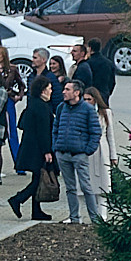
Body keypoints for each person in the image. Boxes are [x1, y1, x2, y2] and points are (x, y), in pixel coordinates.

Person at [51, 79, 104, 225]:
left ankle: (95, 219)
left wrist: (88, 150)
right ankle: (74, 217)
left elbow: (96, 132)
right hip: (63, 153)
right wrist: (56, 146)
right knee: (70, 188)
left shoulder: (87, 109)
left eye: (67, 89)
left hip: (79, 154)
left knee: (86, 187)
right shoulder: (61, 107)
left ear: (76, 92)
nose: (63, 92)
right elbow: (55, 128)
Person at [8, 74, 56, 221]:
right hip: (37, 149)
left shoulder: (33, 104)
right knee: (38, 179)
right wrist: (47, 151)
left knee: (38, 177)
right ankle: (18, 199)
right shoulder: (41, 107)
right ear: (43, 90)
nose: (51, 91)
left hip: (31, 147)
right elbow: (43, 131)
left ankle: (36, 210)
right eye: (49, 88)